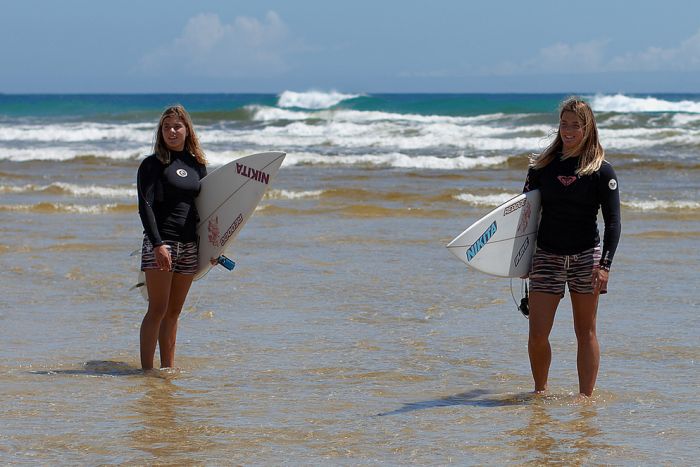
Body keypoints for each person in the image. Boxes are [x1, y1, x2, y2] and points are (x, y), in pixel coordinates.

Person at [522, 97, 621, 398]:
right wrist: (519, 261)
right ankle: (540, 393)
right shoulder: (540, 168)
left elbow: (614, 223)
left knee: (585, 332)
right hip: (547, 255)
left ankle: (585, 399)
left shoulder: (602, 172)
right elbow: (524, 217)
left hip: (585, 258)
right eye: (564, 124)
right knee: (538, 334)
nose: (568, 130)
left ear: (587, 128)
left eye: (575, 125)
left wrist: (604, 266)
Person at [137, 105, 207, 371]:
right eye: (166, 127)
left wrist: (215, 246)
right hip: (162, 243)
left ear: (187, 129)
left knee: (174, 312)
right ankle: (146, 371)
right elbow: (145, 206)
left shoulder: (197, 165)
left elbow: (207, 210)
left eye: (177, 126)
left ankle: (167, 370)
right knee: (158, 309)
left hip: (190, 245)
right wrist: (157, 244)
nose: (172, 131)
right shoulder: (152, 164)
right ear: (160, 132)